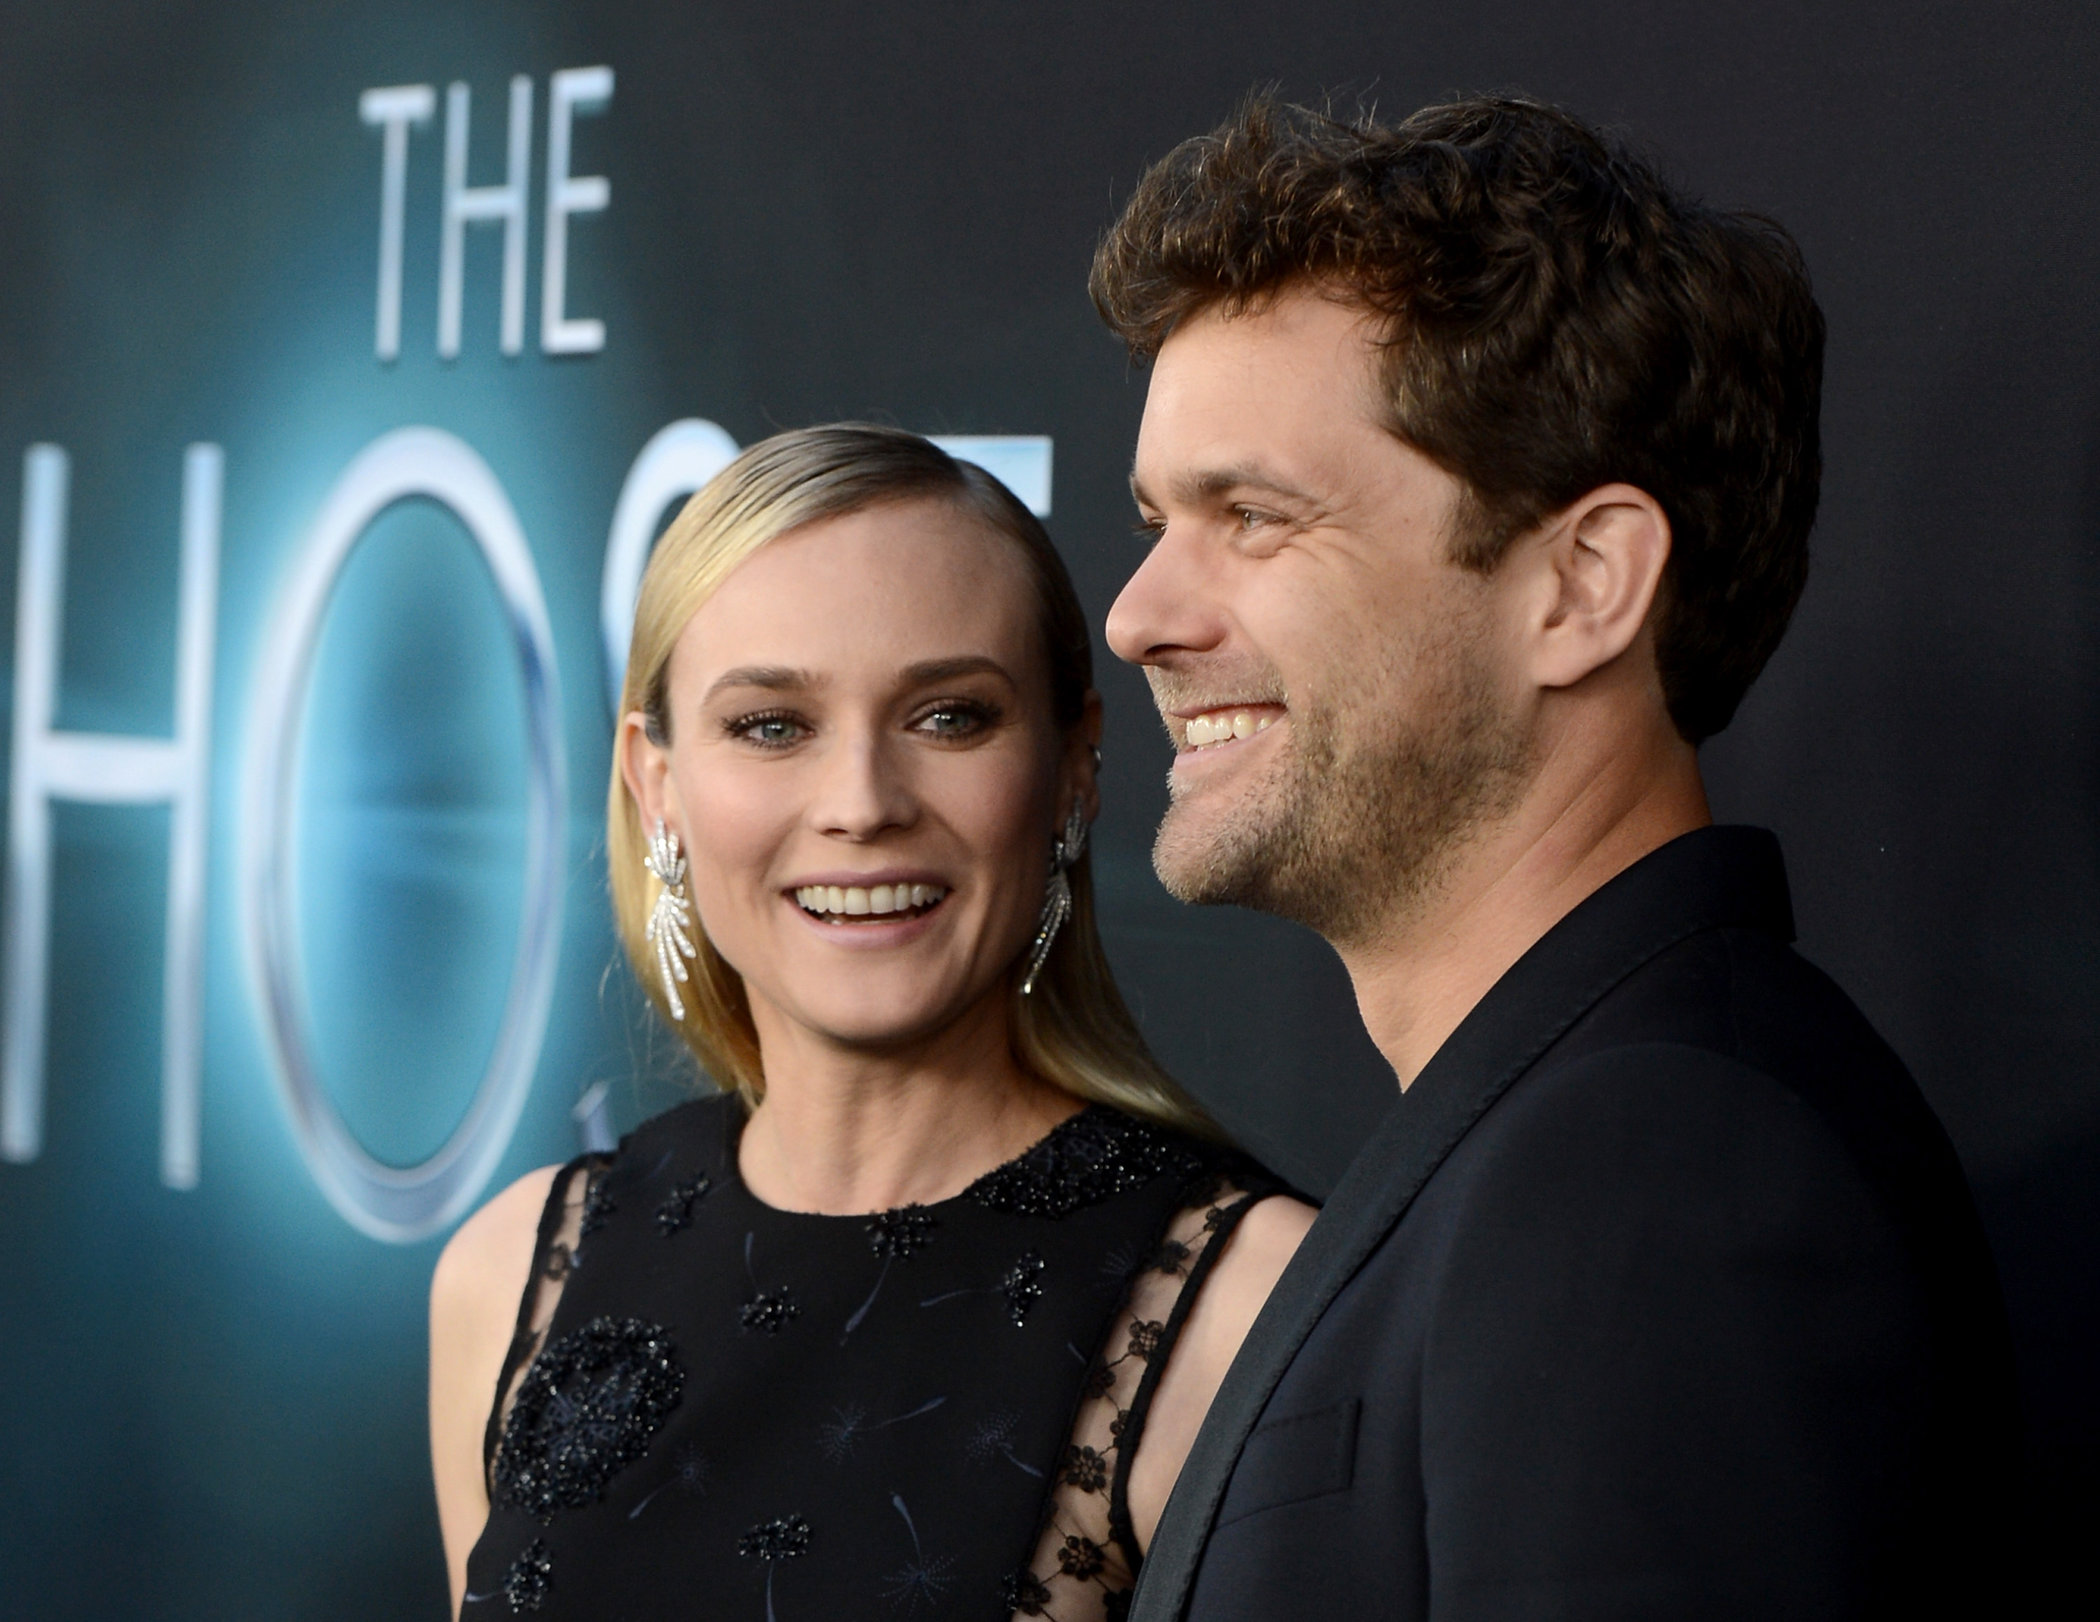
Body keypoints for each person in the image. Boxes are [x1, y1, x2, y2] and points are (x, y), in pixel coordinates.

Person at [1091, 96, 2021, 1620]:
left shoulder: (1658, 1171)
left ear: (1584, 583)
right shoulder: (1566, 1127)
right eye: (1155, 518)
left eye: (1252, 516)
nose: (1137, 617)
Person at [427, 426, 1315, 1621]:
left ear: (1074, 767)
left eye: (948, 716)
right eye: (771, 724)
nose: (860, 804)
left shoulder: (1249, 1307)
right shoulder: (511, 1273)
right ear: (655, 784)